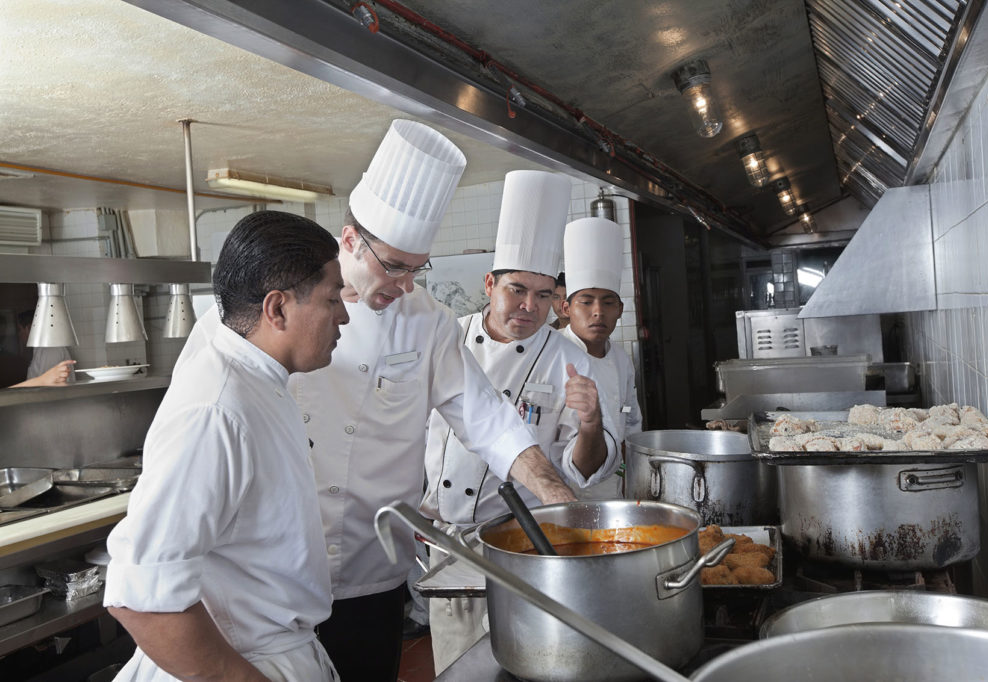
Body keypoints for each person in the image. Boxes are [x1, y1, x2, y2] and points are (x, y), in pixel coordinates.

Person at [286, 120, 576, 681]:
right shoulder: (286, 310)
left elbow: (488, 421)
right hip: (288, 566)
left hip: (376, 569)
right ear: (349, 241)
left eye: (417, 268)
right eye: (393, 265)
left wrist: (561, 500)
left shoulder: (428, 322)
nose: (405, 284)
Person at [104, 210, 348, 682]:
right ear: (276, 309)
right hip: (239, 663)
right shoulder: (216, 411)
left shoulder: (261, 379)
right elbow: (141, 599)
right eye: (333, 298)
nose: (344, 315)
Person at [420, 170, 619, 672]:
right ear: (489, 284)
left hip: (522, 542)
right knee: (457, 667)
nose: (529, 306)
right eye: (516, 289)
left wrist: (592, 423)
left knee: (527, 665)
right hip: (444, 548)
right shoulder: (444, 342)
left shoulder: (567, 359)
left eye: (543, 294)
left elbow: (583, 470)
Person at [560, 216, 643, 500]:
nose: (598, 312)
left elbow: (631, 422)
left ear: (620, 309)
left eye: (608, 302)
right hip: (562, 499)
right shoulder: (549, 355)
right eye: (586, 301)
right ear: (566, 308)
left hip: (616, 492)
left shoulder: (621, 359)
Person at [7, 309, 76, 388]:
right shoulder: (40, 349)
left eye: (20, 329)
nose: (19, 334)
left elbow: (49, 387)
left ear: (29, 328)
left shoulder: (50, 349)